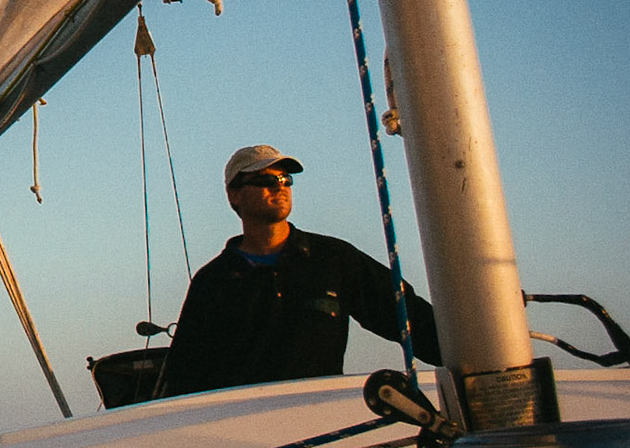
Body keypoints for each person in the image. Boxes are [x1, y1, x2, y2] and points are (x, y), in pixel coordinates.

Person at [160, 145, 442, 396]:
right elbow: (185, 375)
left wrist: (465, 362)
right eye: (266, 181)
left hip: (318, 422)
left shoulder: (333, 259)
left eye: (285, 180)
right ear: (234, 195)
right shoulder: (213, 281)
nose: (279, 187)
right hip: (240, 425)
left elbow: (411, 320)